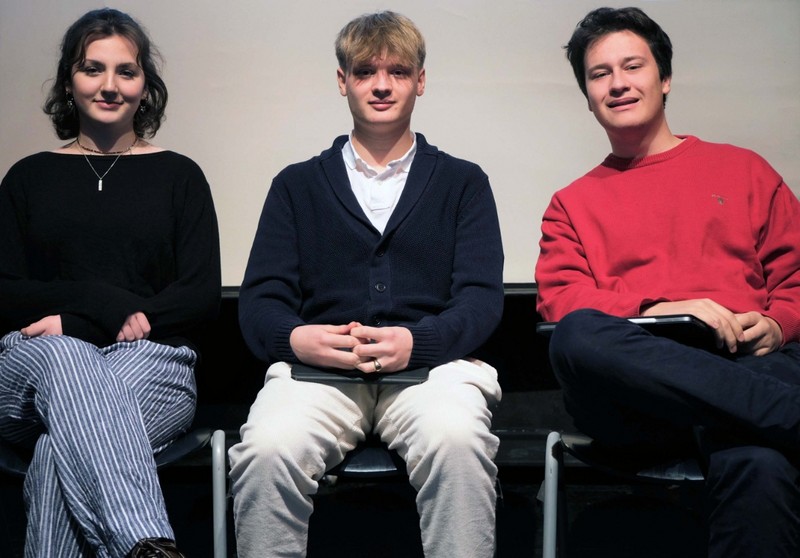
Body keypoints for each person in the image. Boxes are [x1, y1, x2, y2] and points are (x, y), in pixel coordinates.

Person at [229, 10, 504, 558]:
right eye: (365, 72)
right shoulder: (296, 185)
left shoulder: (463, 182)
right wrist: (296, 339)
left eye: (398, 71)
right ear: (343, 81)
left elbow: (480, 299)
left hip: (432, 370)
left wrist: (417, 342)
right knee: (266, 449)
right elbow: (261, 300)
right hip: (319, 374)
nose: (381, 85)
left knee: (458, 441)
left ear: (420, 81)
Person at [535, 6, 800, 558]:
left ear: (666, 78)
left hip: (747, 364)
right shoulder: (570, 203)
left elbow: (795, 276)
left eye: (632, 66)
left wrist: (779, 323)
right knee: (576, 334)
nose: (618, 83)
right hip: (638, 400)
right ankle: (784, 413)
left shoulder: (744, 170)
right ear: (587, 96)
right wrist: (659, 309)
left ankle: (769, 413)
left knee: (759, 462)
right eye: (600, 74)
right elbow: (561, 300)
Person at [0, 8, 221, 558]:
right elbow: (3, 290)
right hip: (37, 362)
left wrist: (80, 323)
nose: (109, 85)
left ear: (145, 86)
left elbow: (198, 296)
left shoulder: (180, 176)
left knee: (58, 451)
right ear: (68, 82)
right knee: (66, 357)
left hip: (151, 362)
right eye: (92, 68)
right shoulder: (27, 177)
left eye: (126, 71)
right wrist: (97, 304)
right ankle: (145, 541)